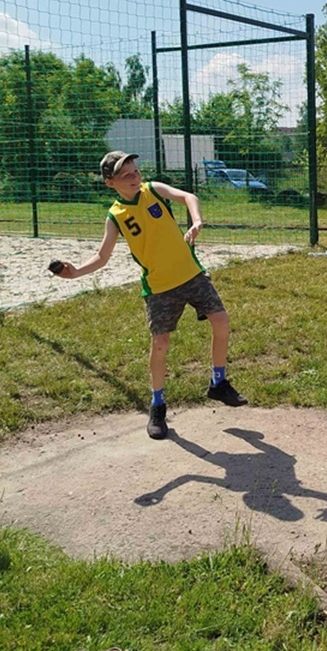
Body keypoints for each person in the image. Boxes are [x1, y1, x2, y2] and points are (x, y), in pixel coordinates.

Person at [51, 151, 247, 441]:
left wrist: (196, 221)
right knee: (160, 345)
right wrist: (75, 271)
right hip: (159, 287)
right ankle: (157, 404)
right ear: (110, 183)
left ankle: (218, 383)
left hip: (191, 274)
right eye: (125, 175)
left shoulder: (153, 190)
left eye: (135, 171)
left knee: (221, 321)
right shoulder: (115, 217)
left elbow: (189, 197)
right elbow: (102, 256)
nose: (134, 177)